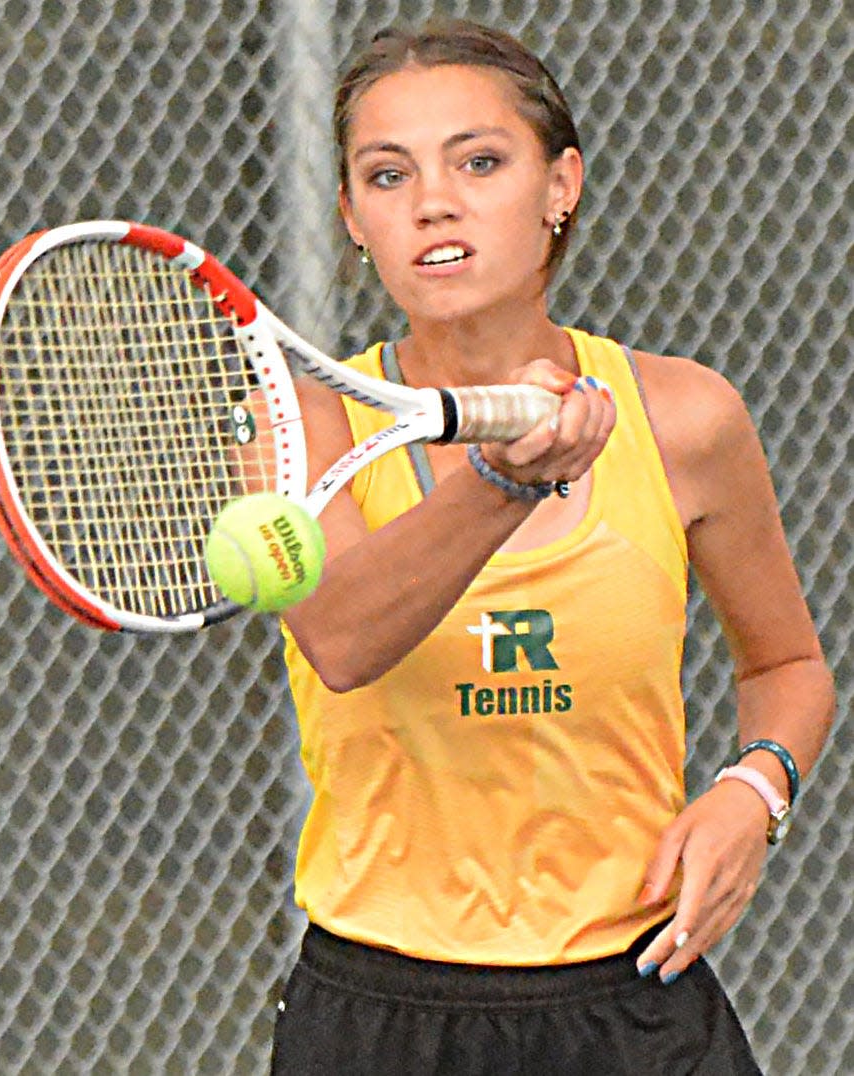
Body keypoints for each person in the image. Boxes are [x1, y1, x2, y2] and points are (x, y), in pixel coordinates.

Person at [269, 18, 835, 1075]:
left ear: (558, 184)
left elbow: (787, 666)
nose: (433, 201)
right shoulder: (307, 424)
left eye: (479, 161)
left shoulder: (684, 417)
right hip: (379, 1015)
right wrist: (499, 479)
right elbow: (343, 636)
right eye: (385, 175)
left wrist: (750, 792)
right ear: (350, 215)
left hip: (635, 1004)